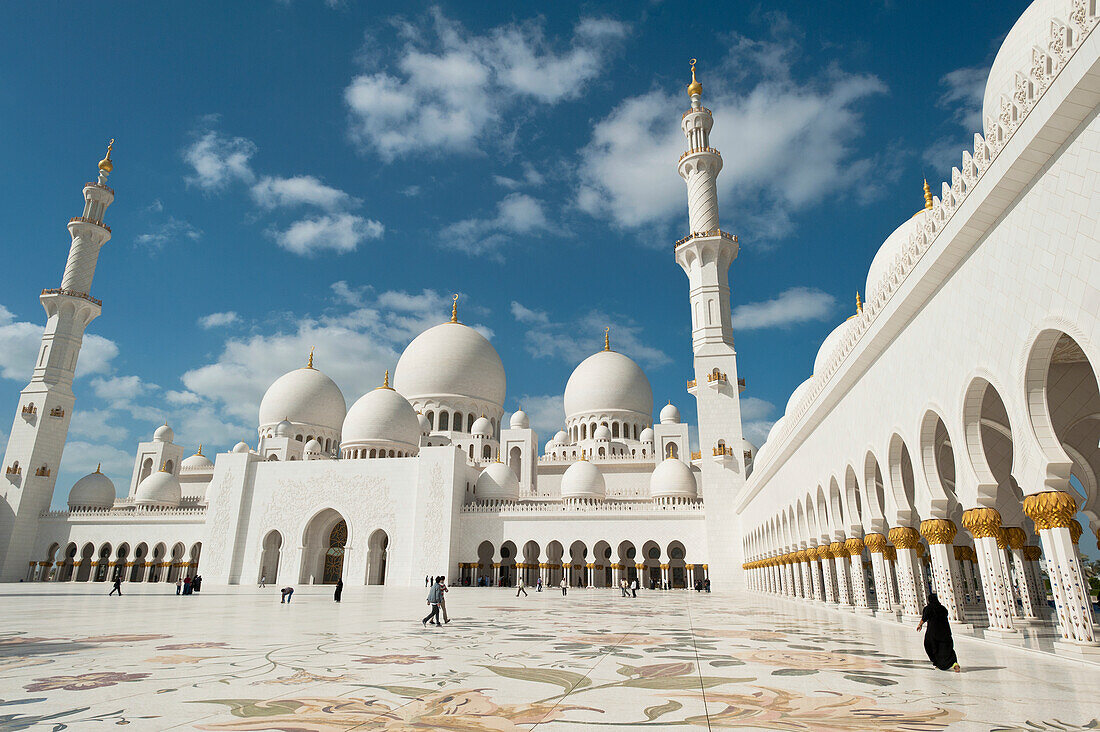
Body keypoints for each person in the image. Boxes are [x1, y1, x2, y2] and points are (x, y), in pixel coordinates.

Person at [916, 593, 960, 672]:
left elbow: (924, 618)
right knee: (947, 648)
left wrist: (920, 625)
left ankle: (937, 663)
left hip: (933, 632)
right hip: (945, 631)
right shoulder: (942, 608)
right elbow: (946, 614)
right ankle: (954, 663)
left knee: (931, 646)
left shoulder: (928, 608)